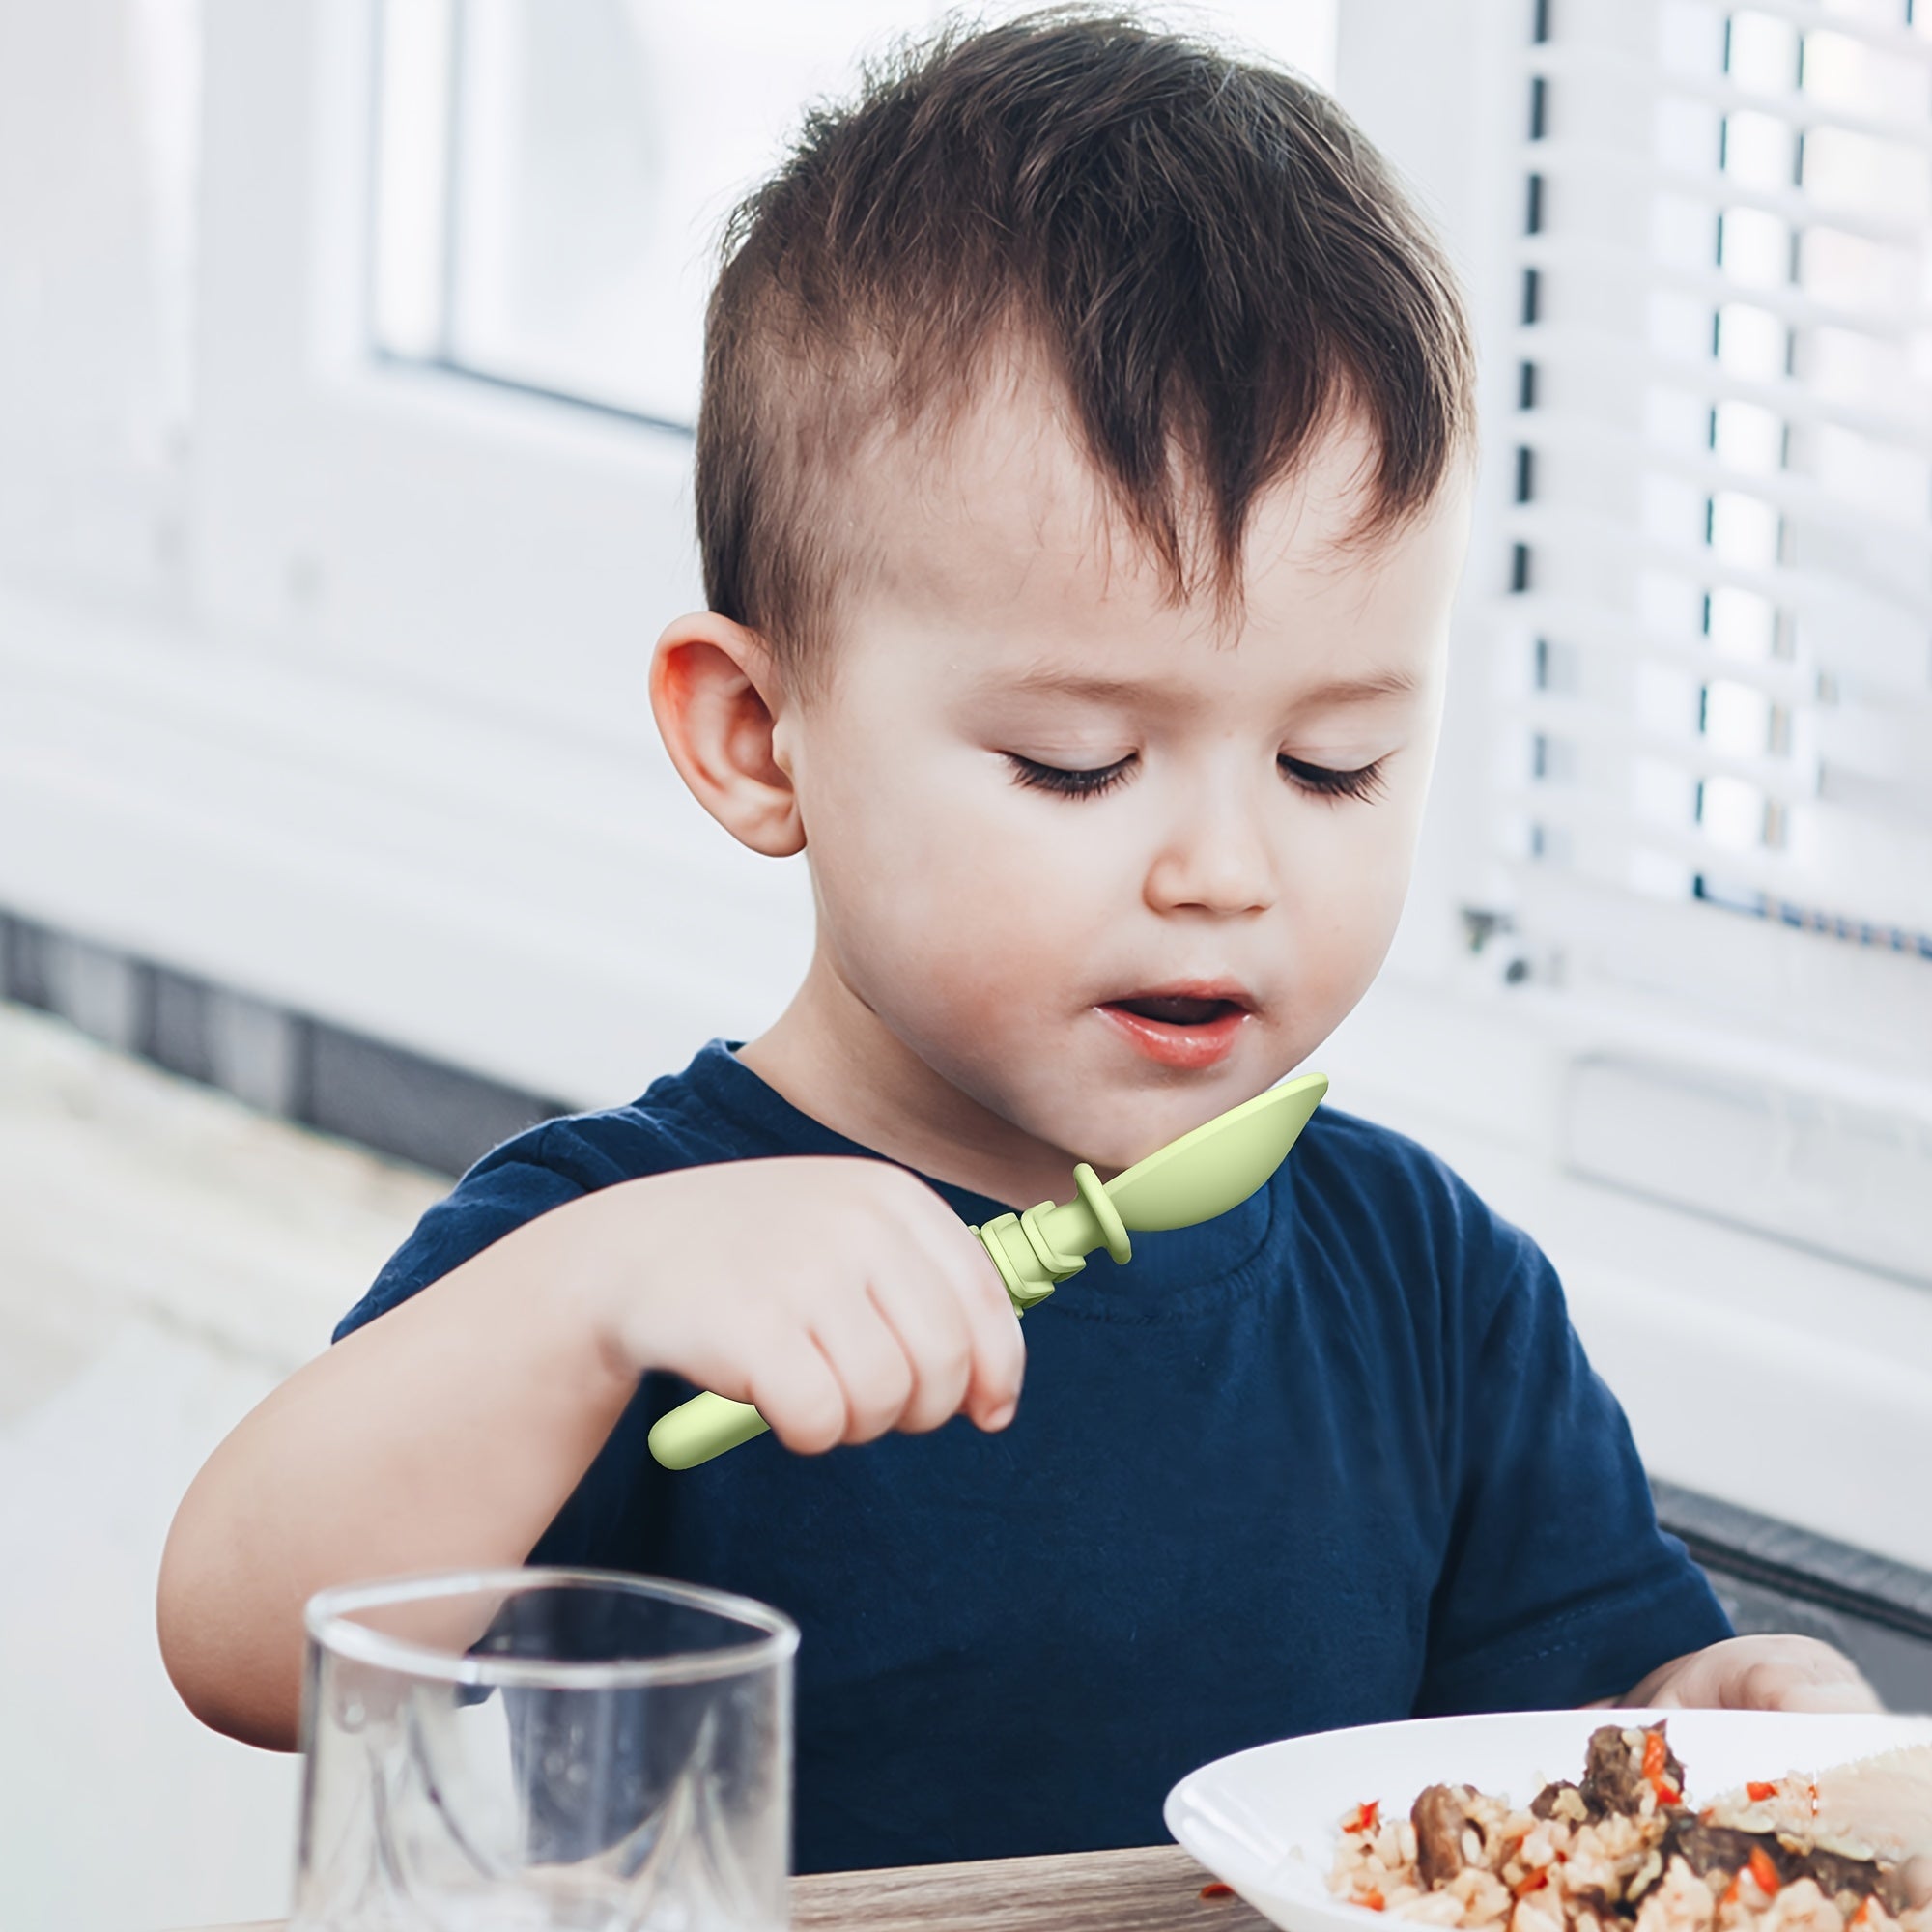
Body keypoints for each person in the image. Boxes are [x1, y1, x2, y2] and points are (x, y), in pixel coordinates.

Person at [157, 11, 1877, 1873]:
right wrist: (583, 1311)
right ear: (760, 738)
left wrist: (1700, 1732)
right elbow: (245, 1648)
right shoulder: (632, 1253)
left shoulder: (1430, 1293)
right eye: (1077, 766)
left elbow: (1573, 1775)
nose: (1225, 868)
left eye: (1334, 762)